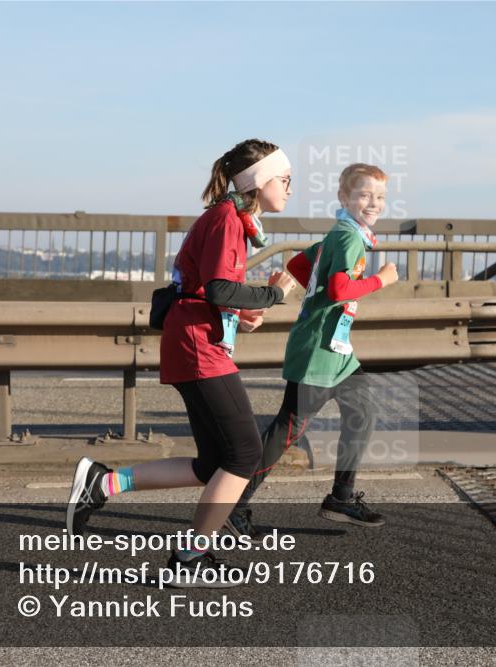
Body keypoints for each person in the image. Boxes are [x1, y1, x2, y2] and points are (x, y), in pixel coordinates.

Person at [65, 138, 298, 587]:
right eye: (286, 180)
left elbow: (213, 291)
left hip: (194, 340)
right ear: (260, 181)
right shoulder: (228, 220)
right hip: (198, 347)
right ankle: (189, 558)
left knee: (215, 465)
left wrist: (241, 315)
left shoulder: (228, 218)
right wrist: (273, 295)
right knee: (246, 454)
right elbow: (216, 290)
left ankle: (104, 484)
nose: (290, 189)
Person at [224, 163, 400, 539]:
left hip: (336, 349)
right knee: (286, 431)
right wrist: (380, 280)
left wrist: (317, 298)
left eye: (380, 196)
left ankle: (341, 497)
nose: (374, 203)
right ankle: (232, 506)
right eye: (364, 195)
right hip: (319, 350)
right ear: (344, 198)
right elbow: (338, 290)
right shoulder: (350, 238)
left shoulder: (344, 234)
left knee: (362, 413)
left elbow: (298, 265)